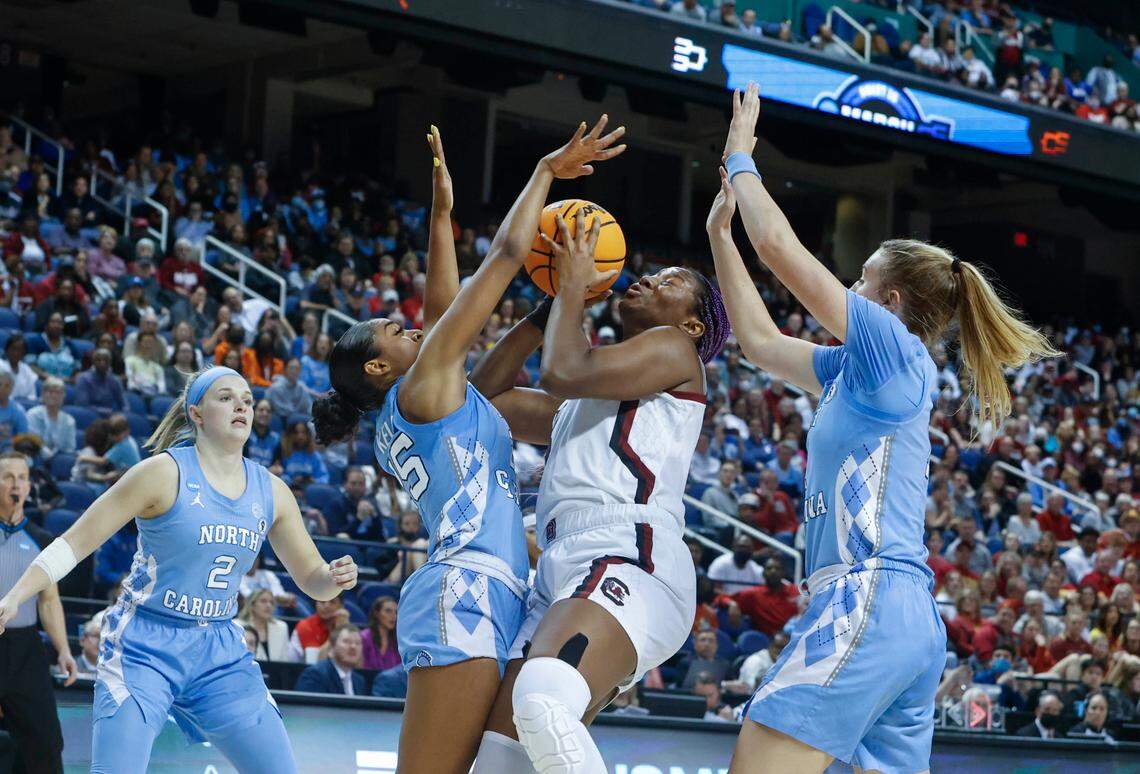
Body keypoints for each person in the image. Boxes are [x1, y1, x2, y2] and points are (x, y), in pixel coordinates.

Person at [710, 83, 1057, 774]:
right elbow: (756, 340)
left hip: (864, 595)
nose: (851, 287)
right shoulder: (856, 372)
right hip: (895, 612)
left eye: (862, 280)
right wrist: (721, 234)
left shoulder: (894, 349)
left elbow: (779, 248)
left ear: (890, 301)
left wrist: (743, 154)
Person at [313, 124, 624, 774]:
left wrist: (445, 213)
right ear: (377, 369)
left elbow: (443, 300)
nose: (416, 325)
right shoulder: (423, 391)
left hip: (500, 585)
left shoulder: (437, 394)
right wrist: (544, 169)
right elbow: (507, 255)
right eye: (396, 330)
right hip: (467, 585)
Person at [467, 144, 728, 773]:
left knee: (543, 700)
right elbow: (484, 399)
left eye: (668, 285)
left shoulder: (674, 354)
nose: (643, 279)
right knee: (500, 763)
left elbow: (563, 368)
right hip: (562, 568)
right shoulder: (584, 406)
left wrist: (573, 291)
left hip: (629, 554)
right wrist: (542, 309)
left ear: (692, 325)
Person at [0, 365, 360, 773]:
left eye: (246, 399)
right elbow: (73, 544)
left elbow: (312, 579)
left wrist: (332, 579)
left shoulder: (271, 490)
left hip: (219, 648)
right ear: (196, 413)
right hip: (144, 643)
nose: (241, 406)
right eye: (226, 397)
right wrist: (15, 596)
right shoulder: (162, 473)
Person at [0, 452, 78, 774]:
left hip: (25, 650)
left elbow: (49, 602)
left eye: (21, 477)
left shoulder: (42, 541)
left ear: (30, 486)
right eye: (8, 477)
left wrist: (63, 650)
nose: (15, 484)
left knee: (45, 741)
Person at [293, 624, 366, 695]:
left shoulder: (359, 681)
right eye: (346, 641)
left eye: (358, 643)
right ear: (331, 648)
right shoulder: (315, 675)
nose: (353, 646)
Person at [236, 588, 292, 662]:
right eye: (263, 601)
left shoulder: (282, 627)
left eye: (271, 602)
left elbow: (285, 659)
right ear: (252, 605)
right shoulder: (238, 626)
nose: (268, 605)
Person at [27, 377, 76, 459]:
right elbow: (32, 441)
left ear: (63, 395)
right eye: (50, 392)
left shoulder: (69, 421)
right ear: (43, 394)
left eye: (58, 392)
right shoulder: (32, 415)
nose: (53, 395)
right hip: (36, 457)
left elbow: (70, 448)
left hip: (59, 460)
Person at [360, 596, 401, 671]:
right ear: (377, 614)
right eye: (388, 611)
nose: (393, 616)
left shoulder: (396, 641)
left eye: (396, 612)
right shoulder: (364, 637)